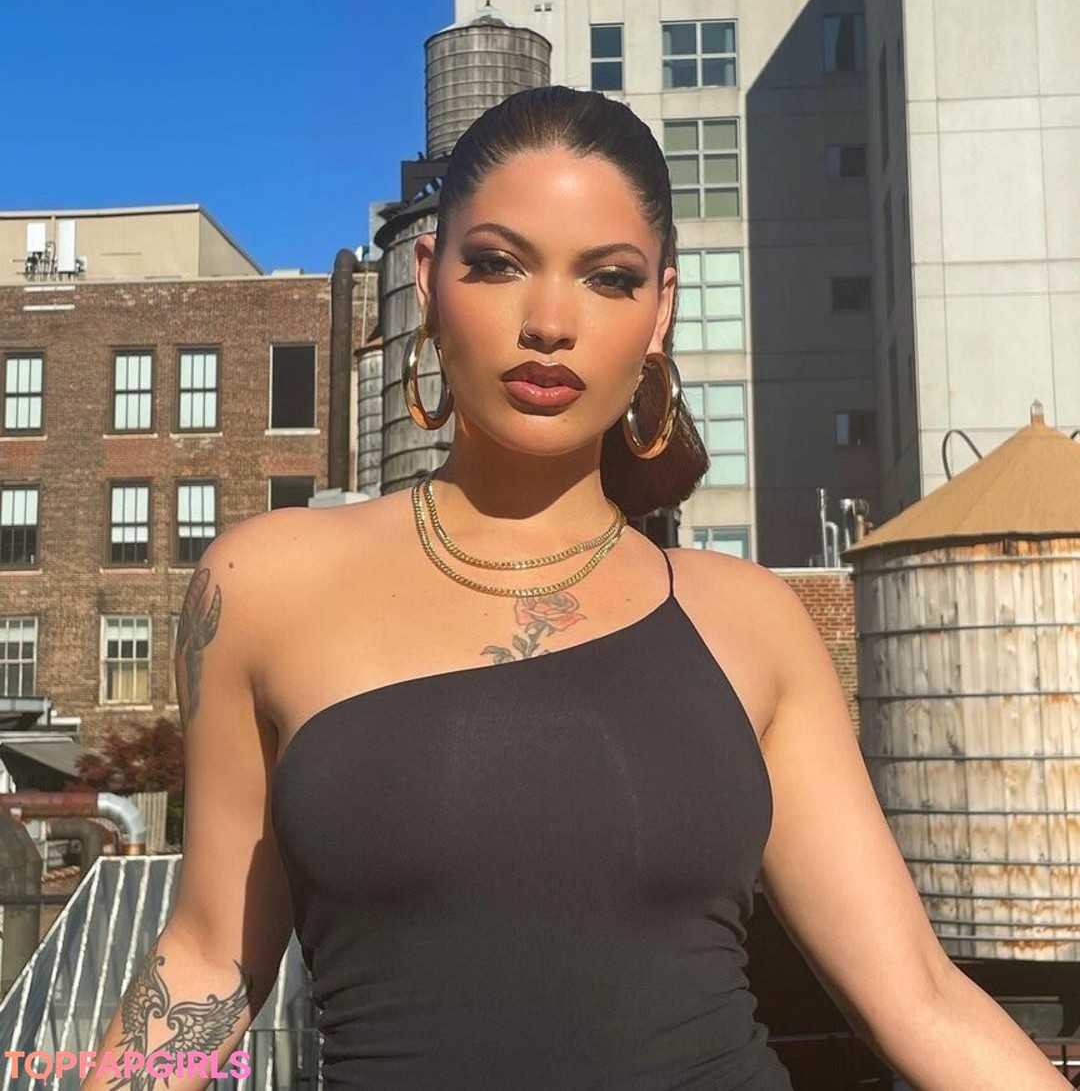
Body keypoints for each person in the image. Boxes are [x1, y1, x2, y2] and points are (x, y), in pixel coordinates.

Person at [83, 86, 1068, 1091]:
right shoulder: (262, 587)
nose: (549, 322)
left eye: (608, 278)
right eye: (498, 263)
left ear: (661, 310)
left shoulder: (751, 622)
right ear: (427, 279)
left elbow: (918, 994)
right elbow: (206, 958)